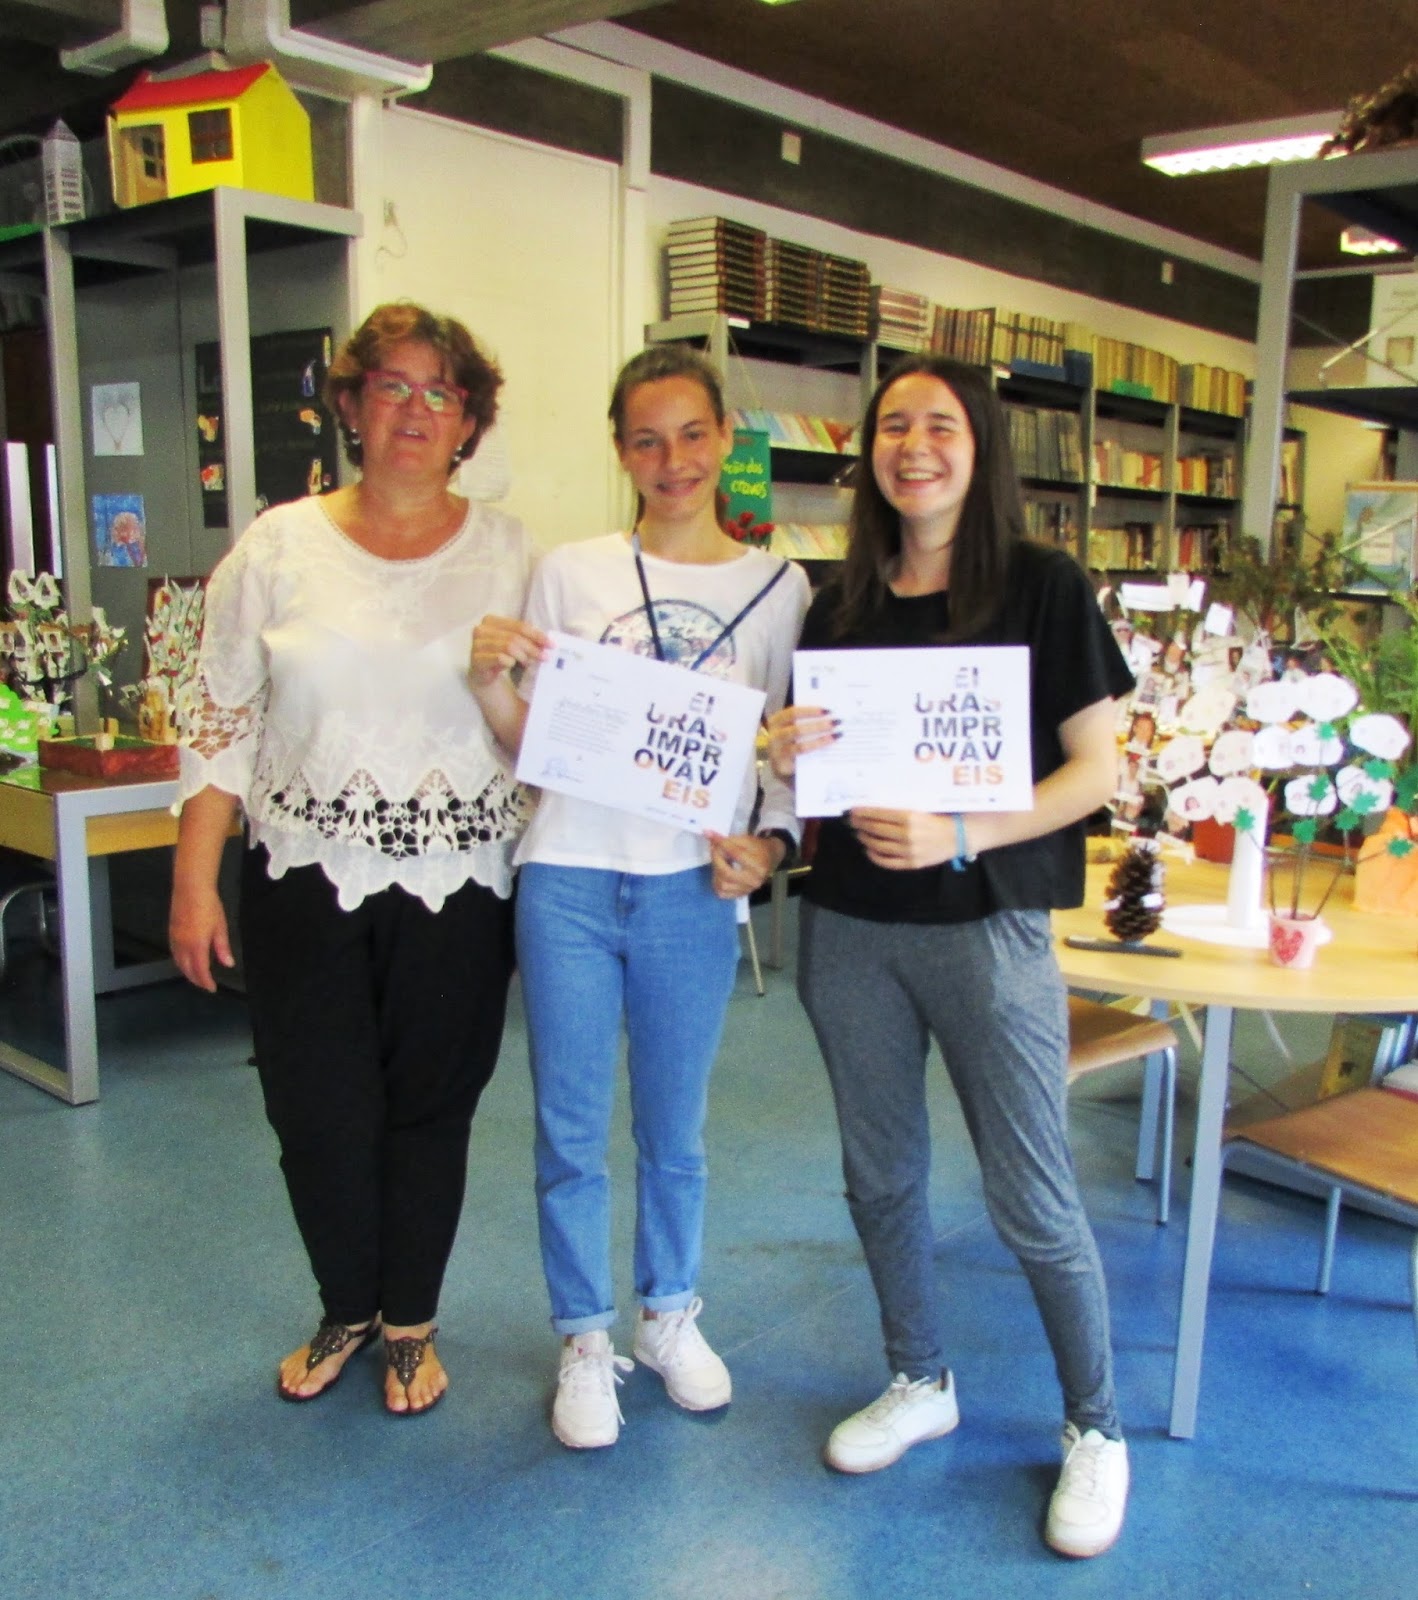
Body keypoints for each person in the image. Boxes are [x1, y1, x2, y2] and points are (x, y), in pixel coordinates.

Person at [766, 355, 1136, 1559]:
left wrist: (963, 830)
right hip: (849, 928)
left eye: (938, 425)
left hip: (985, 926)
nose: (911, 446)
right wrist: (784, 750)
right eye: (890, 426)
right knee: (878, 1173)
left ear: (978, 448)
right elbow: (811, 777)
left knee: (1030, 1192)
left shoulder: (1040, 585)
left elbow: (1095, 770)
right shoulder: (838, 602)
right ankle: (917, 1376)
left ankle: (1095, 1425)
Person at [169, 303, 534, 1416]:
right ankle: (346, 1305)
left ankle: (410, 1318)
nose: (416, 410)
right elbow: (220, 718)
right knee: (314, 1108)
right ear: (351, 404)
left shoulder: (514, 554)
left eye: (441, 392)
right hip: (301, 874)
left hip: (460, 878)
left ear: (468, 420)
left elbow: (553, 724)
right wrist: (192, 881)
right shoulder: (277, 546)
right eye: (392, 386)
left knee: (432, 1104)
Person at [470, 344, 810, 1450]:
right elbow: (534, 748)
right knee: (569, 1127)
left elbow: (788, 758)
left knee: (675, 1125)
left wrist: (768, 845)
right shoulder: (571, 573)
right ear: (619, 450)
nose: (673, 460)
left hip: (688, 891)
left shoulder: (781, 588)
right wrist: (489, 687)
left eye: (693, 434)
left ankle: (668, 1314)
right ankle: (584, 1339)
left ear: (726, 439)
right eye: (646, 440)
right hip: (567, 876)